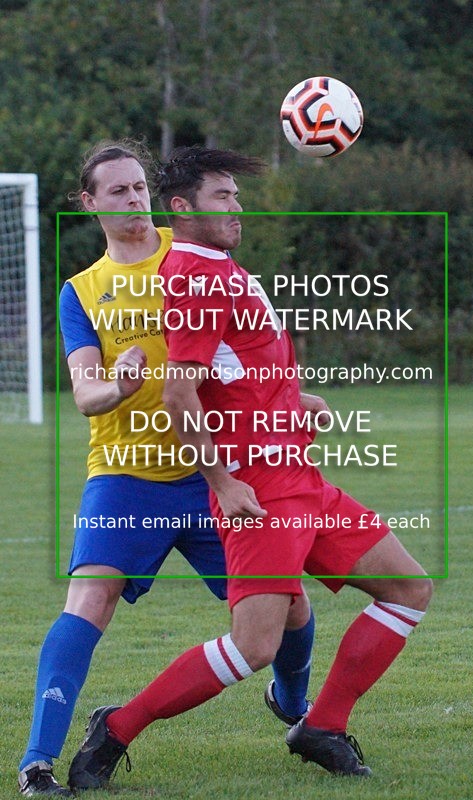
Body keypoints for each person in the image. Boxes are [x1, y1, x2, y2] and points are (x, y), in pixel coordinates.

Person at [68, 146, 432, 789]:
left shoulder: (220, 267)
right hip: (261, 491)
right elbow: (180, 393)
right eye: (224, 197)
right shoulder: (196, 276)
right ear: (182, 208)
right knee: (253, 647)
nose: (238, 207)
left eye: (236, 194)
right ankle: (117, 727)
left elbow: (236, 367)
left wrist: (295, 401)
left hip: (301, 479)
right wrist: (222, 481)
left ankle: (321, 725)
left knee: (408, 590)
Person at [18, 141, 316, 797]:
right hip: (124, 477)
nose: (132, 199)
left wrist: (292, 401)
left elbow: (247, 350)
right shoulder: (82, 293)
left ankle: (294, 708)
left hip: (220, 475)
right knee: (88, 600)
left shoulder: (193, 257)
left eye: (138, 188)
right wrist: (117, 387)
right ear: (88, 202)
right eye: (116, 191)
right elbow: (85, 393)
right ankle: (37, 764)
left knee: (290, 609)